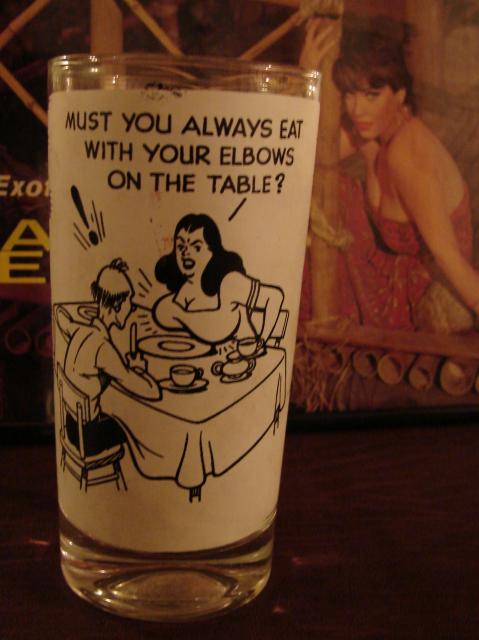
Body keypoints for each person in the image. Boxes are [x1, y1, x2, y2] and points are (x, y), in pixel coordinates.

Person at [300, 16, 479, 333]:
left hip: (420, 295)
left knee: (335, 193)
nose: (357, 109)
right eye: (350, 94)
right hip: (388, 277)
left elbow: (449, 258)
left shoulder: (406, 152)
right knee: (325, 186)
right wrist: (308, 78)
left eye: (372, 95)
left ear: (399, 95)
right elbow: (303, 154)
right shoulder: (373, 134)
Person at [56, 258, 161, 455]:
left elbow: (63, 320)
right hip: (88, 436)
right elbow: (152, 391)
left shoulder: (80, 330)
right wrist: (138, 369)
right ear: (118, 305)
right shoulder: (103, 348)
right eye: (130, 301)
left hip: (70, 426)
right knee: (139, 427)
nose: (132, 307)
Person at [153, 213, 284, 348]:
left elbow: (274, 297)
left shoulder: (228, 281)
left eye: (196, 247)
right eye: (180, 247)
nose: (186, 252)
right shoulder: (185, 288)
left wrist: (261, 341)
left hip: (241, 356)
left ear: (213, 251)